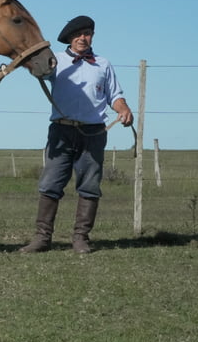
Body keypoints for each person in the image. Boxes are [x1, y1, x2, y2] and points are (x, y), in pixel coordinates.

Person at [20, 15, 134, 254]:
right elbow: (40, 71)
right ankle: (42, 238)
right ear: (70, 38)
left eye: (88, 33)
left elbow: (115, 95)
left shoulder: (103, 64)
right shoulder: (56, 60)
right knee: (50, 184)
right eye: (78, 34)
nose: (83, 38)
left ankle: (81, 239)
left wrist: (123, 108)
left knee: (90, 185)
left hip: (93, 132)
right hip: (61, 131)